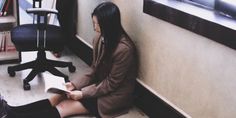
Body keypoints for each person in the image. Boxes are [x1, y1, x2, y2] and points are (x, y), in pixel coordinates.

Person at [0, 2, 138, 118]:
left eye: (97, 24)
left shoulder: (124, 49)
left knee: (64, 106)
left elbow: (111, 84)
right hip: (100, 85)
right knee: (57, 97)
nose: (94, 27)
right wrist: (72, 84)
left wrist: (82, 93)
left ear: (108, 25)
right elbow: (94, 70)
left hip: (114, 95)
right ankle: (11, 112)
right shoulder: (100, 38)